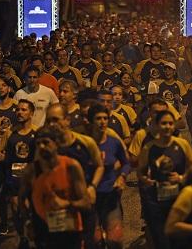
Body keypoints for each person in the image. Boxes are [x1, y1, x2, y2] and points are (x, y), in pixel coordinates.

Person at [45, 103, 104, 249]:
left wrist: (92, 187)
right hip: (57, 207)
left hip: (82, 203)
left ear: (67, 120)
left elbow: (99, 166)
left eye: (56, 119)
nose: (52, 124)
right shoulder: (45, 146)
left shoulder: (85, 142)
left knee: (86, 243)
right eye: (49, 121)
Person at [138, 110, 192, 249]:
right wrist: (146, 180)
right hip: (157, 202)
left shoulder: (182, 144)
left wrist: (182, 178)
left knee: (180, 241)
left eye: (170, 123)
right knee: (162, 241)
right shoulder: (149, 147)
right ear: (157, 125)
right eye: (164, 123)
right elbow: (141, 172)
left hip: (179, 200)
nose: (167, 127)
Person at [27, 128, 91, 249]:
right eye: (38, 143)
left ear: (56, 143)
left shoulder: (71, 166)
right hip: (43, 232)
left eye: (46, 142)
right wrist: (28, 222)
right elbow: (22, 199)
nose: (41, 146)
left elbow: (86, 203)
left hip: (69, 230)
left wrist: (66, 203)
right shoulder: (31, 172)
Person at [87, 104, 130, 248]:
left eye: (105, 118)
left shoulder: (113, 142)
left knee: (115, 239)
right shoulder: (84, 143)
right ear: (91, 121)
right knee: (95, 240)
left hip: (110, 196)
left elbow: (126, 163)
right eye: (98, 118)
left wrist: (122, 176)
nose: (102, 122)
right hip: (90, 199)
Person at [0, 99, 37, 236]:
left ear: (31, 113)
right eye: (18, 109)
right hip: (13, 178)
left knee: (30, 208)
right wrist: (3, 157)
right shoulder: (10, 133)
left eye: (24, 110)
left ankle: (32, 232)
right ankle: (22, 237)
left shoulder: (37, 133)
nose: (20, 112)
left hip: (31, 179)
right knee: (16, 208)